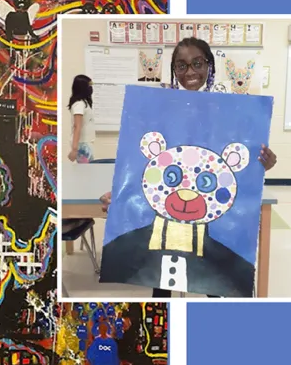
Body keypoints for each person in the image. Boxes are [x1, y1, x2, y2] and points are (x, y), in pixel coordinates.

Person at [99, 37, 278, 298]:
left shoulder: (229, 110)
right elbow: (141, 162)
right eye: (181, 66)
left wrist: (265, 162)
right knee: (160, 283)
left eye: (197, 63)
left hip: (213, 221)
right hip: (162, 217)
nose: (190, 72)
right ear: (174, 71)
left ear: (209, 65)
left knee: (215, 282)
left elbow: (242, 163)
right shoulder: (159, 107)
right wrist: (122, 195)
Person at [68, 74, 95, 163]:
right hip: (82, 146)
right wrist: (75, 149)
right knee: (84, 173)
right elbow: (77, 126)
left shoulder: (85, 103)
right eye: (89, 86)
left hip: (86, 144)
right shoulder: (79, 104)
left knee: (88, 172)